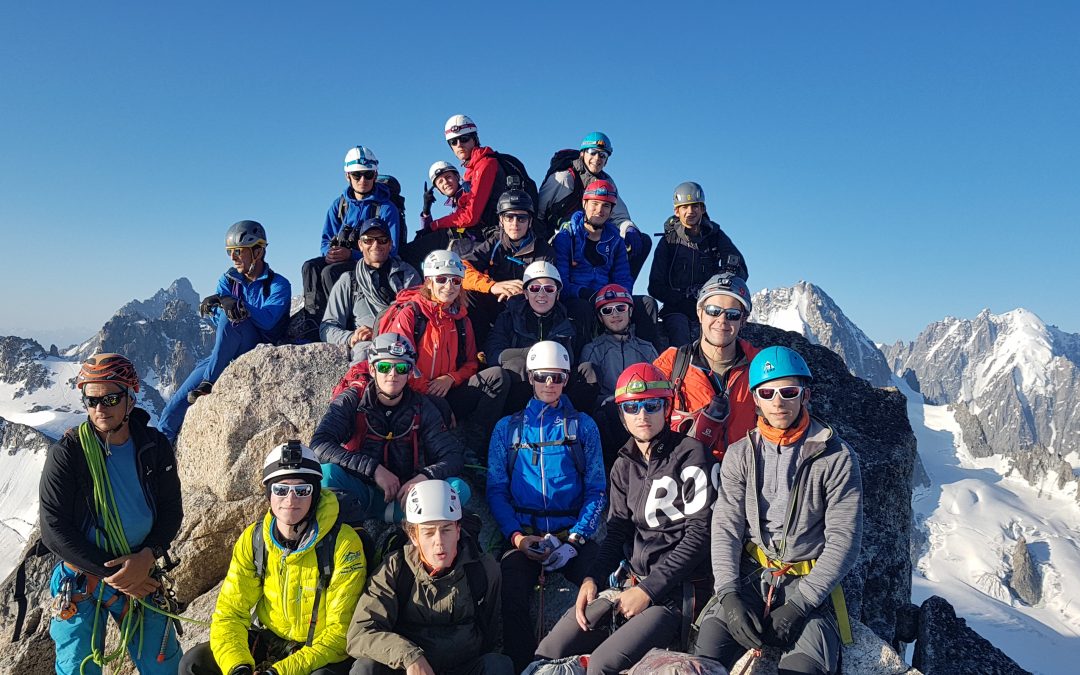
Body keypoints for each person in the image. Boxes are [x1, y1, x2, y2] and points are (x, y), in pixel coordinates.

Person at [534, 364, 717, 675]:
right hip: (627, 582)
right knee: (548, 652)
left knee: (603, 666)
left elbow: (700, 535)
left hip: (672, 593)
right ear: (622, 414)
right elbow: (617, 528)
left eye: (652, 405)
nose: (641, 415)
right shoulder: (623, 464)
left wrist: (649, 591)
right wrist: (592, 578)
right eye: (632, 407)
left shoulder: (692, 455)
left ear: (667, 407)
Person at [691, 347, 863, 675]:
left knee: (803, 669)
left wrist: (799, 606)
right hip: (752, 572)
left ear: (805, 395)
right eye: (767, 392)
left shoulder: (836, 458)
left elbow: (844, 540)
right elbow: (727, 525)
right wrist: (728, 594)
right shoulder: (741, 454)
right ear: (755, 398)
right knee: (706, 657)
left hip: (808, 582)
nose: (778, 401)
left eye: (788, 391)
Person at [40, 353, 184, 674]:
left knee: (165, 666)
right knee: (79, 667)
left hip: (140, 570)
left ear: (131, 399)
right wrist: (120, 576)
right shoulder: (69, 453)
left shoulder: (154, 446)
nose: (99, 409)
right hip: (83, 578)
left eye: (110, 398)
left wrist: (149, 555)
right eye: (91, 401)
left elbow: (171, 510)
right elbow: (53, 529)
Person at [179, 442, 367, 675]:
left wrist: (278, 672)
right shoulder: (255, 539)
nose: (291, 499)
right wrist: (238, 667)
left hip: (321, 651)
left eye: (302, 490)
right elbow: (230, 613)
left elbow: (340, 633)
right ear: (269, 493)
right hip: (271, 639)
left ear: (315, 494)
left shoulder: (343, 543)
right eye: (280, 489)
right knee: (194, 663)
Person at [485, 341, 607, 673]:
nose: (549, 384)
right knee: (510, 592)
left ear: (566, 379)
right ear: (529, 377)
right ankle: (524, 665)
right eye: (541, 377)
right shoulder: (507, 429)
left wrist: (575, 541)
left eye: (557, 377)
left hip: (572, 535)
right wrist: (517, 539)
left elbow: (596, 489)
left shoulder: (583, 427)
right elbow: (496, 490)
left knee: (600, 586)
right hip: (524, 534)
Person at [346, 480, 513, 675]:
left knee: (498, 665)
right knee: (366, 668)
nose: (439, 542)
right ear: (414, 536)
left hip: (465, 668)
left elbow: (490, 632)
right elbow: (360, 634)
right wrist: (410, 657)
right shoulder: (395, 569)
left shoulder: (483, 569)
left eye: (446, 529)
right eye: (428, 532)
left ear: (458, 530)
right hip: (408, 669)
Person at [311, 332, 470, 525]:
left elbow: (452, 455)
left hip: (409, 497)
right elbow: (319, 444)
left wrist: (424, 477)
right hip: (362, 491)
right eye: (384, 367)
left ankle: (408, 523)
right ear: (372, 369)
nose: (392, 374)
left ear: (410, 372)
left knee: (458, 488)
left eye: (401, 368)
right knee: (326, 475)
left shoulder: (422, 406)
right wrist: (373, 469)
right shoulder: (353, 399)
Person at [160, 220, 291, 443]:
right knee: (174, 406)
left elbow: (269, 321)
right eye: (230, 252)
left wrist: (238, 305)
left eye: (238, 251)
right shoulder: (228, 280)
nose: (233, 257)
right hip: (226, 352)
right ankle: (162, 449)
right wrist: (217, 307)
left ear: (257, 251)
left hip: (260, 346)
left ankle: (209, 382)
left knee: (233, 321)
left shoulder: (278, 284)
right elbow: (219, 322)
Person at [378, 249, 509, 444]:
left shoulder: (461, 319)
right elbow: (397, 364)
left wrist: (450, 378)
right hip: (413, 395)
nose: (449, 286)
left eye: (456, 281)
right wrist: (433, 398)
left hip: (448, 390)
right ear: (429, 281)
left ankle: (476, 444)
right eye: (441, 279)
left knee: (497, 377)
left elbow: (472, 363)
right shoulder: (411, 314)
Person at [653, 272, 759, 461]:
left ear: (743, 320)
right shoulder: (671, 363)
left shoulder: (760, 365)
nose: (722, 320)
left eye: (732, 315)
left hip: (743, 478)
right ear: (700, 312)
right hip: (686, 478)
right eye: (713, 310)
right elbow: (644, 420)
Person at [302, 146, 403, 326]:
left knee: (330, 273)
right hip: (342, 257)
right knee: (310, 267)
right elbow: (326, 238)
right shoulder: (340, 205)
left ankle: (344, 322)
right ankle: (313, 320)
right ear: (347, 175)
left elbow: (392, 250)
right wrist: (329, 253)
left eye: (368, 174)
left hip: (372, 262)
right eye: (357, 175)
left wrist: (351, 255)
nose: (362, 180)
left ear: (375, 174)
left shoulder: (386, 208)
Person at [553, 181, 659, 349]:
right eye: (594, 204)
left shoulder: (615, 240)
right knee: (583, 309)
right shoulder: (567, 238)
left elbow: (623, 277)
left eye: (606, 206)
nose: (599, 210)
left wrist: (619, 298)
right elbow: (561, 282)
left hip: (608, 297)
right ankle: (582, 362)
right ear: (584, 204)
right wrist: (585, 293)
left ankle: (652, 360)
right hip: (577, 297)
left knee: (647, 303)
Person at [485, 261, 597, 412]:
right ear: (525, 293)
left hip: (558, 382)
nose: (541, 294)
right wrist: (535, 354)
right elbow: (494, 354)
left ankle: (572, 419)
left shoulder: (569, 322)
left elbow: (577, 359)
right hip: (524, 383)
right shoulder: (508, 318)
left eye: (549, 289)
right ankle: (520, 421)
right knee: (515, 365)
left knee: (588, 370)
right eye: (535, 288)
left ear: (557, 294)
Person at [649, 181, 749, 348]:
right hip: (677, 309)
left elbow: (739, 268)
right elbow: (655, 286)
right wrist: (681, 298)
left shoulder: (715, 236)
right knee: (679, 333)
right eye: (684, 207)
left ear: (703, 209)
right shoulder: (668, 242)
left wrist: (717, 288)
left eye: (695, 206)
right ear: (676, 211)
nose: (690, 211)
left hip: (710, 304)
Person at [537, 132, 651, 276]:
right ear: (582, 154)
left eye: (602, 155)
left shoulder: (607, 183)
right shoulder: (563, 177)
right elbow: (539, 211)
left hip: (592, 236)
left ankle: (619, 287)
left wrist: (629, 228)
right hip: (559, 236)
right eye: (593, 153)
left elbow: (619, 216)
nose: (597, 159)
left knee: (642, 241)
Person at [321, 218, 421, 363]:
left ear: (390, 244)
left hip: (404, 341)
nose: (375, 245)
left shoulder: (408, 276)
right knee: (362, 353)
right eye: (368, 240)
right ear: (360, 245)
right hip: (368, 347)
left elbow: (420, 316)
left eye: (382, 240)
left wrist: (381, 331)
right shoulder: (349, 281)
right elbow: (327, 327)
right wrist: (351, 337)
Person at [462, 189, 556, 345]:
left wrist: (522, 291)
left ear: (530, 221)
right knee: (469, 294)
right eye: (509, 217)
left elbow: (549, 288)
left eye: (521, 218)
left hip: (527, 303)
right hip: (496, 301)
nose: (515, 224)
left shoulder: (544, 250)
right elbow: (462, 269)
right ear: (501, 220)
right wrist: (492, 286)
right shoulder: (493, 243)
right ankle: (478, 349)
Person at [579, 284, 659, 467]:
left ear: (630, 311)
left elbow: (660, 382)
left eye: (620, 308)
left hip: (642, 409)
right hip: (611, 415)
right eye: (607, 310)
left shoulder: (646, 348)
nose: (615, 314)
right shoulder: (593, 350)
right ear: (600, 317)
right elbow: (588, 392)